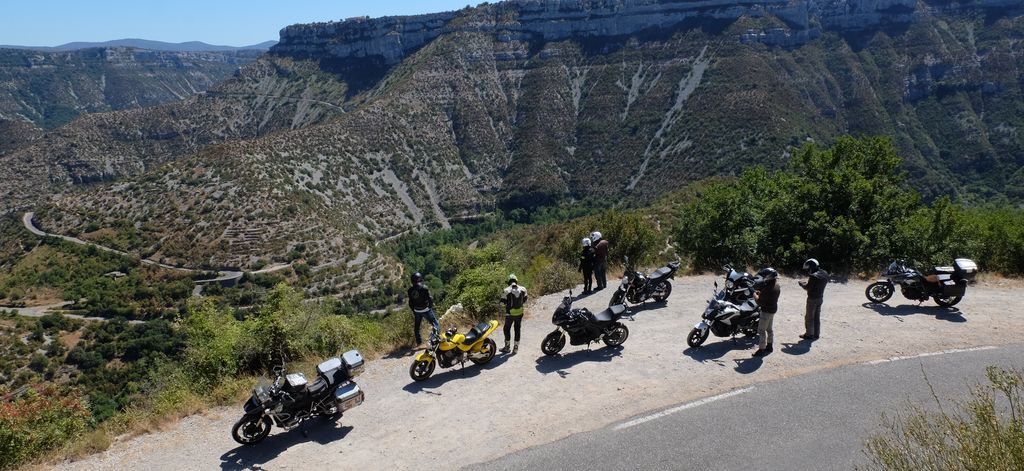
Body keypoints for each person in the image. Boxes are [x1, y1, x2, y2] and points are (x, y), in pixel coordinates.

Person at [751, 267, 780, 357]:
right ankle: (770, 346)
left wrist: (754, 295)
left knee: (761, 330)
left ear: (769, 277)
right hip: (773, 309)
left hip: (766, 311)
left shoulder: (768, 288)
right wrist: (761, 293)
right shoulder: (776, 285)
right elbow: (768, 296)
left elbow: (760, 302)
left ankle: (761, 349)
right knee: (769, 329)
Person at [798, 258, 828, 340]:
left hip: (812, 299)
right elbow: (815, 285)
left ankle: (809, 334)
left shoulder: (813, 276)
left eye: (809, 268)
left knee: (809, 317)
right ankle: (816, 334)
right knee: (816, 317)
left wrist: (802, 284)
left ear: (812, 267)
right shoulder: (824, 273)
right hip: (820, 298)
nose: (808, 270)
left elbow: (808, 287)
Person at [408, 272, 439, 345]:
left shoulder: (410, 290)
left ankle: (419, 343)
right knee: (435, 324)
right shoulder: (424, 288)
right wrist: (430, 307)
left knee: (417, 328)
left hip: (417, 310)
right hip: (426, 309)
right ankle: (434, 339)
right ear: (420, 279)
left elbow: (410, 302)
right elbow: (430, 298)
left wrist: (414, 310)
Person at [501, 274, 528, 354]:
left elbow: (502, 303)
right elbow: (525, 301)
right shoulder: (523, 289)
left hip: (510, 314)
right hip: (520, 313)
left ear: (509, 281)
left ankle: (507, 347)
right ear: (516, 280)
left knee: (506, 329)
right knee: (517, 329)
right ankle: (516, 348)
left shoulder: (506, 290)